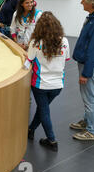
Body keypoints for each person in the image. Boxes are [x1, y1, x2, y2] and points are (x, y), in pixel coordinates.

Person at [26, 12, 70, 151]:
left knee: (44, 111)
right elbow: (67, 59)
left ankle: (52, 140)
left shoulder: (35, 42)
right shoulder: (64, 41)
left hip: (40, 84)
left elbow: (29, 60)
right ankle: (31, 129)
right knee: (42, 108)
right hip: (58, 84)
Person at [70, 0, 94, 141]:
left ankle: (93, 131)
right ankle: (88, 121)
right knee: (88, 95)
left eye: (83, 0)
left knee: (90, 97)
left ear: (91, 3)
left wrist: (86, 73)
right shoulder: (93, 18)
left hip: (90, 66)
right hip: (87, 63)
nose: (81, 2)